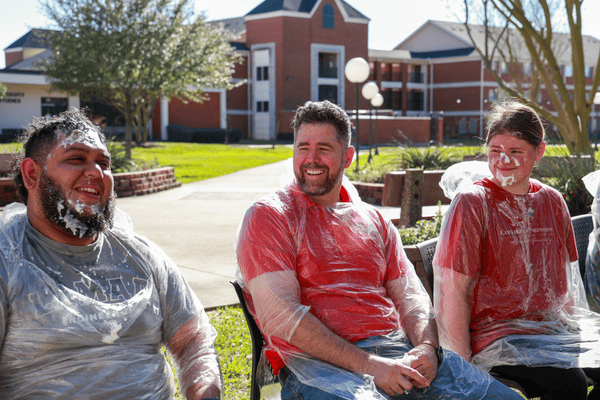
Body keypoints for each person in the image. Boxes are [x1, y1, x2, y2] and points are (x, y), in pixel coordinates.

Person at [235, 100, 522, 400]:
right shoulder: (270, 217)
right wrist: (372, 366)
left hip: (398, 354)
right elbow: (282, 317)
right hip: (316, 368)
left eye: (324, 148)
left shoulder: (373, 221)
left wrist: (426, 347)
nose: (311, 159)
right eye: (303, 147)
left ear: (347, 157)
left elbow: (412, 297)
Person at [1, 108, 222, 399]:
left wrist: (205, 392)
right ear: (31, 173)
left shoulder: (141, 255)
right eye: (77, 158)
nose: (96, 172)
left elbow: (194, 340)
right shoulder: (8, 260)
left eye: (104, 163)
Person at [433, 99, 600, 400]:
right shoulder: (472, 203)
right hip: (496, 338)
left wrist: (575, 332)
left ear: (540, 152)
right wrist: (461, 366)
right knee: (569, 384)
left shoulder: (551, 200)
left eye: (515, 152)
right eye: (495, 151)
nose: (503, 161)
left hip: (550, 329)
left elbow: (567, 281)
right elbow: (453, 290)